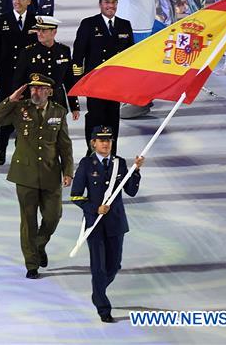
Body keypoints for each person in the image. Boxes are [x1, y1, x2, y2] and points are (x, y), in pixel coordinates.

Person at [0, 74, 73, 279]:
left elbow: (64, 145)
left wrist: (68, 171)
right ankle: (32, 263)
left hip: (50, 172)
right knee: (28, 221)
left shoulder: (59, 111)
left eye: (40, 88)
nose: (35, 92)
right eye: (33, 88)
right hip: (25, 174)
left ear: (49, 92)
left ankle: (39, 244)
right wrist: (10, 100)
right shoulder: (21, 108)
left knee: (53, 216)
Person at [71, 126, 144, 323]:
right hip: (95, 224)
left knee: (114, 266)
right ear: (93, 143)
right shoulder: (87, 164)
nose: (105, 143)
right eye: (101, 140)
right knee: (99, 268)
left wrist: (136, 170)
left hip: (116, 223)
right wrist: (95, 209)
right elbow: (76, 195)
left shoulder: (120, 163)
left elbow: (131, 191)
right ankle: (103, 308)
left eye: (108, 140)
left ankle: (98, 292)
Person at [72, 0, 134, 156]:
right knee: (96, 118)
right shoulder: (88, 24)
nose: (110, 6)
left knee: (113, 119)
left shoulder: (124, 25)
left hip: (115, 84)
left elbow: (130, 56)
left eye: (113, 2)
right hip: (95, 83)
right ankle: (92, 153)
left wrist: (128, 83)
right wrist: (78, 81)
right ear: (100, 4)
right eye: (107, 2)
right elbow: (78, 54)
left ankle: (111, 154)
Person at [0, 0, 37, 165]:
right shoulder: (2, 20)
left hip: (27, 79)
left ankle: (20, 151)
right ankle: (2, 146)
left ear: (29, 1)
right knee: (7, 113)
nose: (17, 1)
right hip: (6, 77)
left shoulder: (36, 22)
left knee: (26, 116)